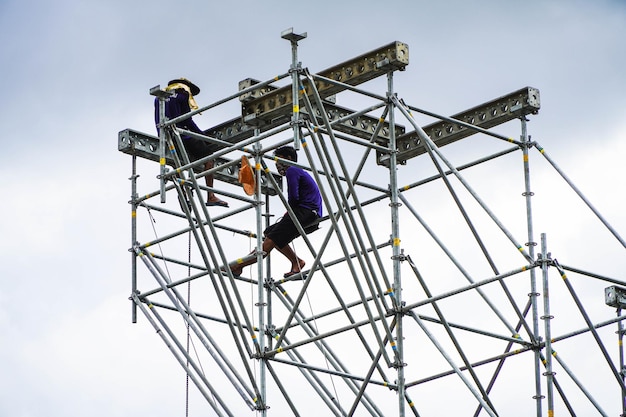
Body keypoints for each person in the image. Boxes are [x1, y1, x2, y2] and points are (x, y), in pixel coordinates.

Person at [228, 146, 323, 278]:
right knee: (269, 233)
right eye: (276, 162)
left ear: (289, 159)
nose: (277, 165)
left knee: (269, 242)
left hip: (305, 212)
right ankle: (296, 261)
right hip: (308, 213)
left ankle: (238, 266)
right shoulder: (298, 172)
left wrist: (289, 212)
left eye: (279, 161)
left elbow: (293, 197)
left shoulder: (293, 170)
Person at [154, 78, 228, 207]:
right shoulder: (183, 94)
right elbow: (187, 120)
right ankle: (211, 195)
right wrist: (203, 136)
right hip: (181, 133)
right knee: (209, 158)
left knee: (178, 163)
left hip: (165, 135)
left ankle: (182, 193)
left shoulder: (159, 97)